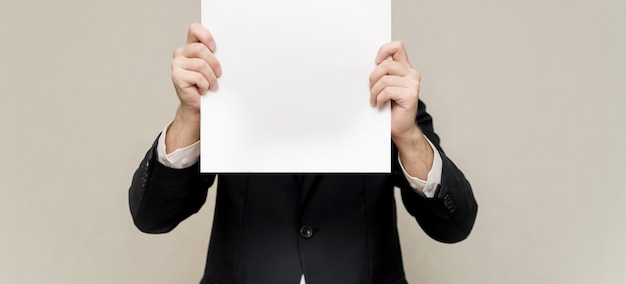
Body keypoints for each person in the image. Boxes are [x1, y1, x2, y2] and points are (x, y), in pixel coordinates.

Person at [129, 23, 477, 284]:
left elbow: (455, 224)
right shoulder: (225, 93)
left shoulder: (386, 94)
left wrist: (407, 136)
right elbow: (153, 216)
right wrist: (190, 115)